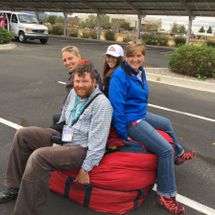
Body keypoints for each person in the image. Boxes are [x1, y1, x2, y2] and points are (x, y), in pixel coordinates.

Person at [0, 61, 113, 215]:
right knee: (23, 134)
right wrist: (54, 137)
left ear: (94, 81)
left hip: (80, 148)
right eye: (77, 81)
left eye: (85, 81)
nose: (80, 85)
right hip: (65, 137)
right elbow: (67, 119)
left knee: (39, 157)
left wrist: (85, 168)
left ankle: (27, 211)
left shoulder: (102, 104)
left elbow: (98, 143)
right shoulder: (73, 93)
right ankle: (14, 186)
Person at [108, 40, 197, 214]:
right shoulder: (120, 76)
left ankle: (179, 155)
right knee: (165, 150)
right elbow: (117, 108)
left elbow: (140, 100)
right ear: (126, 57)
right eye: (131, 56)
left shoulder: (140, 72)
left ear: (143, 56)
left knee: (166, 123)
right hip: (131, 121)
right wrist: (123, 133)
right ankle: (166, 195)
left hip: (140, 114)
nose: (135, 59)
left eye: (139, 55)